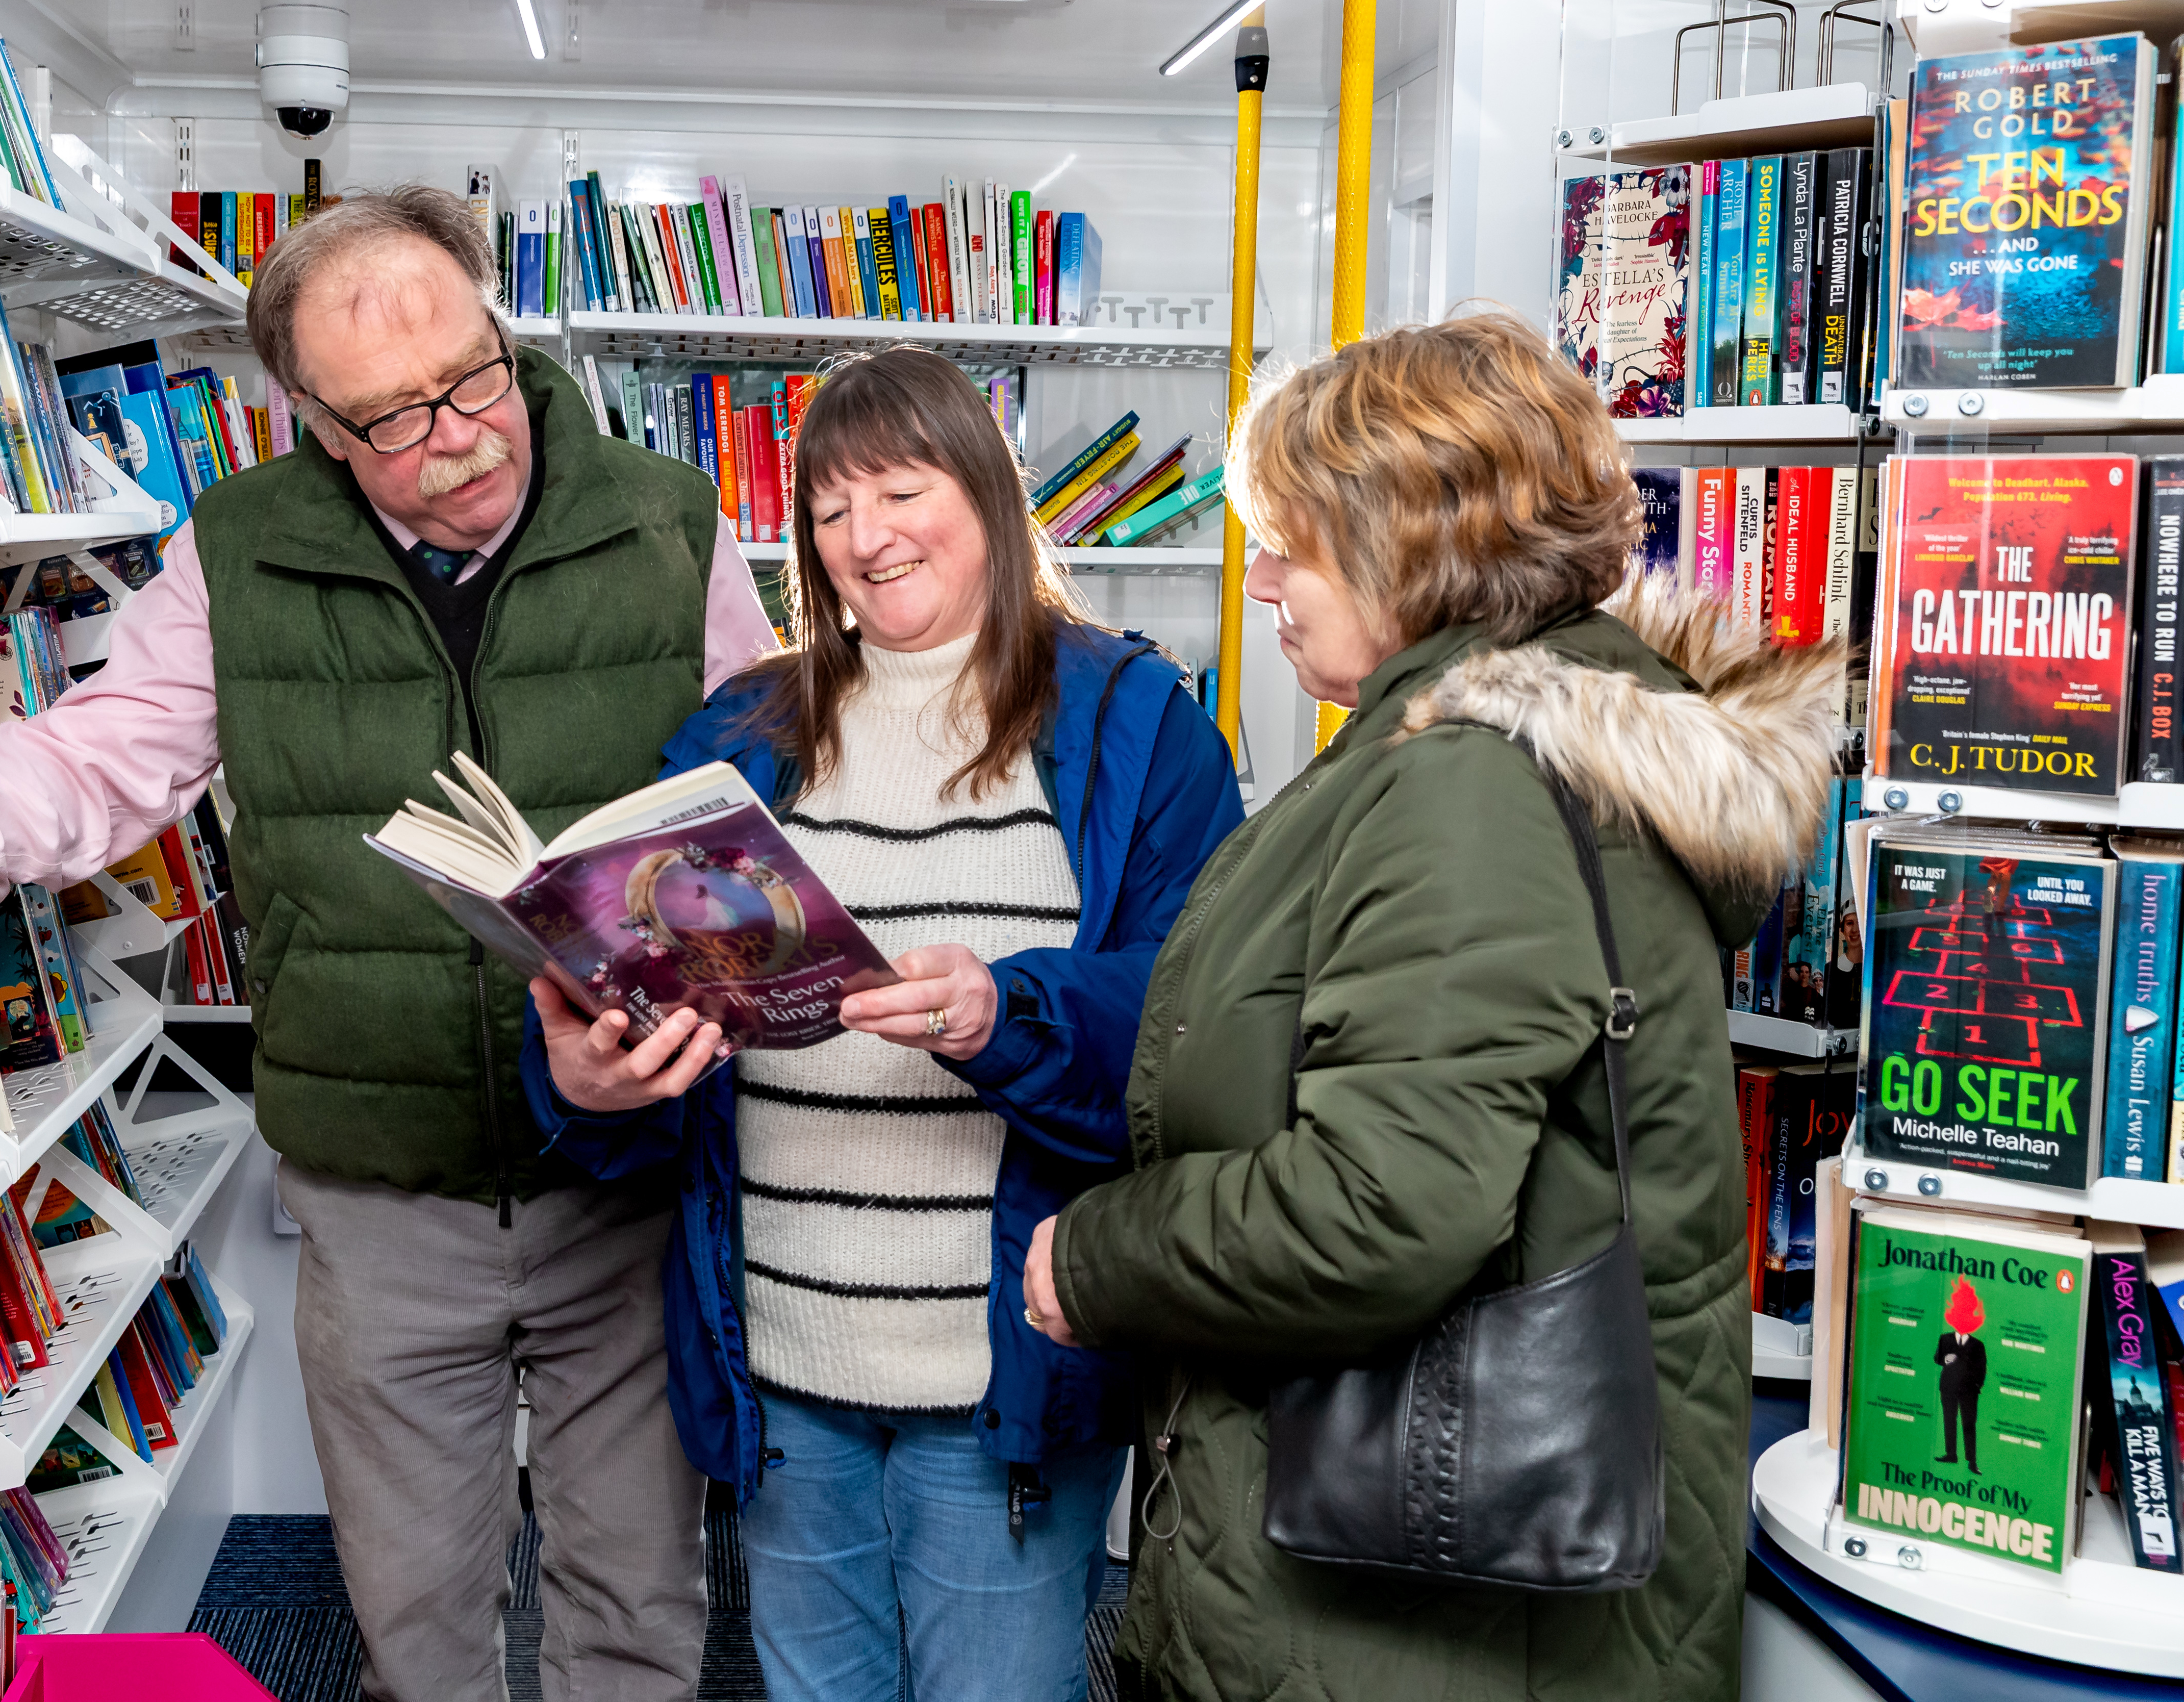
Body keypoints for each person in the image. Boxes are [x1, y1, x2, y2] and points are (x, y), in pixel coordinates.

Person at [0, 186, 781, 1702]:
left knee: (639, 1597)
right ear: (310, 420)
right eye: (394, 419)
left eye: (475, 379)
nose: (462, 439)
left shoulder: (667, 516)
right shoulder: (237, 550)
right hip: (379, 1182)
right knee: (412, 1616)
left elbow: (754, 777)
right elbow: (106, 749)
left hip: (629, 1171)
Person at [1021, 312, 1844, 1702]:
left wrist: (1094, 1262)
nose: (1265, 575)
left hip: (1420, 1615)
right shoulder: (1482, 747)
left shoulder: (1473, 786)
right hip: (1400, 1594)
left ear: (1416, 542)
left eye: (1294, 538)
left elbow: (1379, 1209)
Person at [520, 345, 1242, 1702]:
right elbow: (637, 998)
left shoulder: (1136, 722)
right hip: (783, 1363)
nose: (866, 538)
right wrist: (588, 1076)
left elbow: (1201, 1027)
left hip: (1006, 1377)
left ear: (987, 497)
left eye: (902, 490)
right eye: (832, 508)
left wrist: (1005, 1012)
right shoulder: (737, 735)